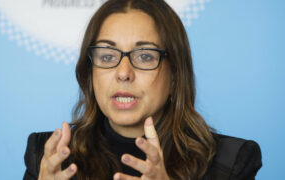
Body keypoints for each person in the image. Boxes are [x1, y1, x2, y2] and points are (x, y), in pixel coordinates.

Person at [23, 0, 262, 179]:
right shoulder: (50, 159)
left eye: (145, 56)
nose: (123, 72)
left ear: (176, 75)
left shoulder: (230, 162)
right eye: (107, 56)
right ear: (90, 73)